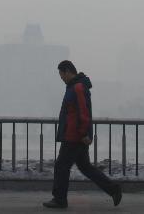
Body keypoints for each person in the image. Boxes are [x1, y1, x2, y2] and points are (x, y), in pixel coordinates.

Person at [43, 60, 122, 209]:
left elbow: (83, 112)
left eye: (61, 75)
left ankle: (59, 199)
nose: (61, 78)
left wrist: (84, 133)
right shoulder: (74, 86)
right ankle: (113, 189)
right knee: (85, 167)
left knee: (61, 166)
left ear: (67, 71)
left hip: (74, 136)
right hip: (76, 135)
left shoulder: (77, 87)